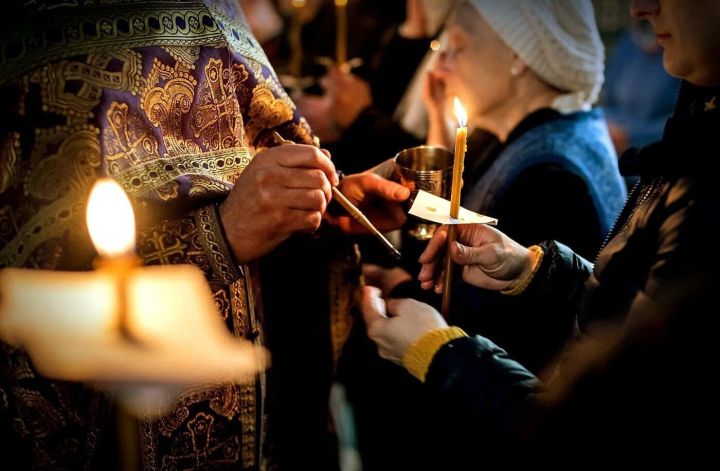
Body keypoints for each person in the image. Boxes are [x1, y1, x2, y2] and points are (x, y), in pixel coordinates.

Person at [0, 1, 409, 469]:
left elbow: (263, 147)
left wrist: (325, 212)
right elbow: (30, 278)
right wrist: (219, 236)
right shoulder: (35, 36)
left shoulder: (218, 12)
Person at [361, 0, 720, 464]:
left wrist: (436, 352)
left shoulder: (551, 169)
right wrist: (533, 267)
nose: (639, 7)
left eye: (459, 45)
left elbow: (595, 424)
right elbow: (634, 308)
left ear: (520, 58)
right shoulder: (695, 125)